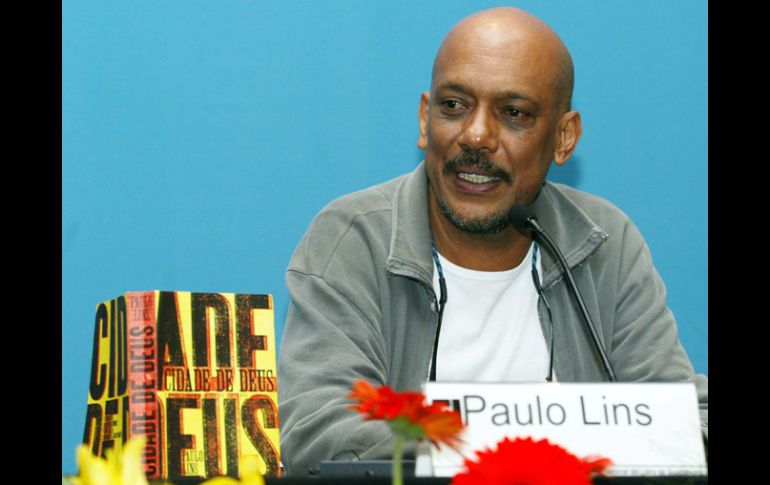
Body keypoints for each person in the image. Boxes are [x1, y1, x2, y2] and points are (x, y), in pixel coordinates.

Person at [277, 6, 708, 476]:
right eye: (454, 105)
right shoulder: (354, 237)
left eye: (513, 113)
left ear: (564, 138)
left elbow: (686, 422)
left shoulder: (603, 241)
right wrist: (529, 437)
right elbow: (319, 432)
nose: (476, 136)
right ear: (424, 119)